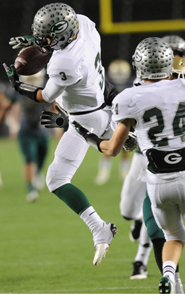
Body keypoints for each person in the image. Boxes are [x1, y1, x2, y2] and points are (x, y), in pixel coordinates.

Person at [3, 2, 123, 265]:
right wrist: (37, 40)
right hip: (102, 96)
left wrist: (18, 85)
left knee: (56, 179)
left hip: (85, 118)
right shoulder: (85, 22)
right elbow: (61, 41)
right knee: (128, 145)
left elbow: (45, 95)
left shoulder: (63, 63)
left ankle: (99, 227)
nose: (43, 41)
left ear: (61, 34)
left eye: (47, 36)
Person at [72, 37, 185, 293]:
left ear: (138, 65)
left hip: (157, 181)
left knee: (173, 236)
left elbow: (113, 148)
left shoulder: (129, 97)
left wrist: (87, 136)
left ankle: (170, 275)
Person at [119, 34, 185, 280]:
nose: (176, 59)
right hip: (143, 153)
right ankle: (138, 223)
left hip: (168, 158)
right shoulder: (145, 82)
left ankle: (141, 261)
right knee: (128, 210)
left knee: (158, 212)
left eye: (178, 54)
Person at [94, 59, 133, 185]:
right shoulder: (107, 83)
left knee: (126, 147)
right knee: (108, 145)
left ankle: (124, 172)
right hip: (111, 119)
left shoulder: (131, 83)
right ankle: (104, 172)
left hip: (126, 118)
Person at [17, 70, 50, 202]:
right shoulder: (19, 90)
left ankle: (38, 173)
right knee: (29, 159)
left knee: (42, 156)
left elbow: (54, 104)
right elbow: (11, 103)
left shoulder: (45, 89)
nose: (31, 81)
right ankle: (31, 189)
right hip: (25, 131)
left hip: (41, 130)